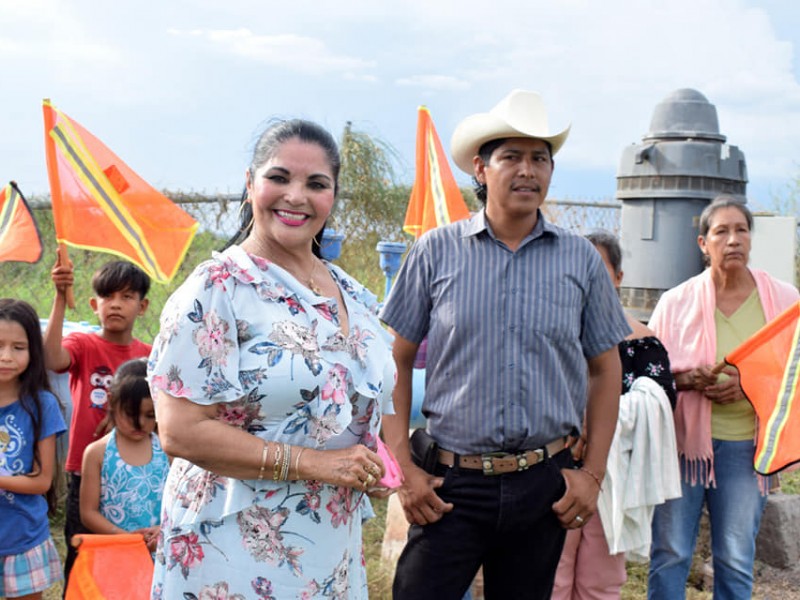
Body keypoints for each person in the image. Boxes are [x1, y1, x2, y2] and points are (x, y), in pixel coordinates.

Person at [380, 89, 631, 600]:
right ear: (480, 168)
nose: (527, 170)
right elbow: (393, 362)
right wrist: (403, 468)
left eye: (540, 158)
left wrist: (592, 475)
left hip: (544, 484)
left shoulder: (581, 261)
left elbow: (606, 370)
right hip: (451, 487)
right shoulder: (436, 251)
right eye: (511, 156)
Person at [147, 118, 396, 599]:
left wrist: (370, 462)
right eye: (279, 178)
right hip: (234, 543)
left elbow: (347, 399)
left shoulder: (349, 292)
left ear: (333, 196)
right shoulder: (217, 289)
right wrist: (314, 464)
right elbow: (180, 431)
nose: (296, 196)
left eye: (316, 184)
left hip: (327, 541)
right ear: (250, 183)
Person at [647, 196, 800, 599]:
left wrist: (750, 385)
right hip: (681, 448)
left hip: (746, 448)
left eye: (742, 230)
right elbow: (649, 373)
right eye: (722, 231)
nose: (733, 239)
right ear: (703, 243)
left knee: (734, 557)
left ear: (750, 238)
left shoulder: (784, 302)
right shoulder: (675, 302)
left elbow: (794, 375)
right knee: (670, 552)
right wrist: (685, 378)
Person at [553, 231, 678, 600]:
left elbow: (661, 403)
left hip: (612, 478)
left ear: (619, 277)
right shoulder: (552, 335)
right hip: (553, 472)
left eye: (599, 267)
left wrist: (600, 420)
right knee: (550, 576)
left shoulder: (643, 342)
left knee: (600, 581)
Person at [44, 257, 152, 586]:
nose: (116, 305)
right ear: (94, 304)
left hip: (137, 472)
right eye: (107, 297)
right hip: (85, 467)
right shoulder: (84, 344)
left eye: (127, 297)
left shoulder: (150, 356)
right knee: (83, 552)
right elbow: (52, 359)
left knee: (134, 554)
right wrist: (61, 298)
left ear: (143, 305)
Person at [0, 299, 67, 599]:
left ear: (33, 352)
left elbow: (42, 481)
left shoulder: (42, 405)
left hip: (22, 537)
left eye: (18, 347)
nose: (6, 357)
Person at [79, 358, 168, 553]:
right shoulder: (97, 453)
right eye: (130, 414)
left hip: (159, 553)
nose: (139, 424)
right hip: (116, 553)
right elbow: (88, 513)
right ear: (112, 402)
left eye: (150, 415)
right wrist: (126, 538)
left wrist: (163, 530)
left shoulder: (168, 450)